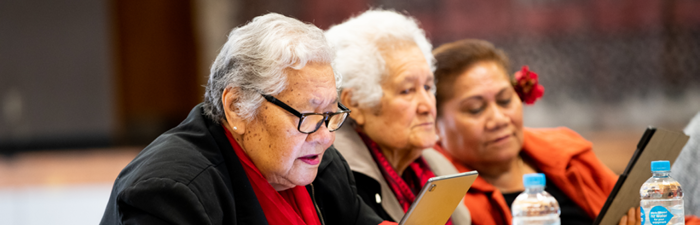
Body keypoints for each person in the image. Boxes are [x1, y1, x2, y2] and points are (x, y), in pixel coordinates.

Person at [100, 13, 390, 225]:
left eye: (329, 114)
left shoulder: (319, 163)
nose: (326, 136)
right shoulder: (170, 193)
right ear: (237, 106)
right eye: (309, 115)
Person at [431, 39, 700, 225]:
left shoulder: (565, 153)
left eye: (504, 101)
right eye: (476, 109)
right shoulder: (441, 196)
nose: (499, 119)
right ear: (435, 124)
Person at [324, 9, 470, 224]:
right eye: (407, 91)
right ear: (356, 103)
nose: (427, 105)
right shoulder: (336, 179)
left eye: (428, 87)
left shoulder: (437, 168)